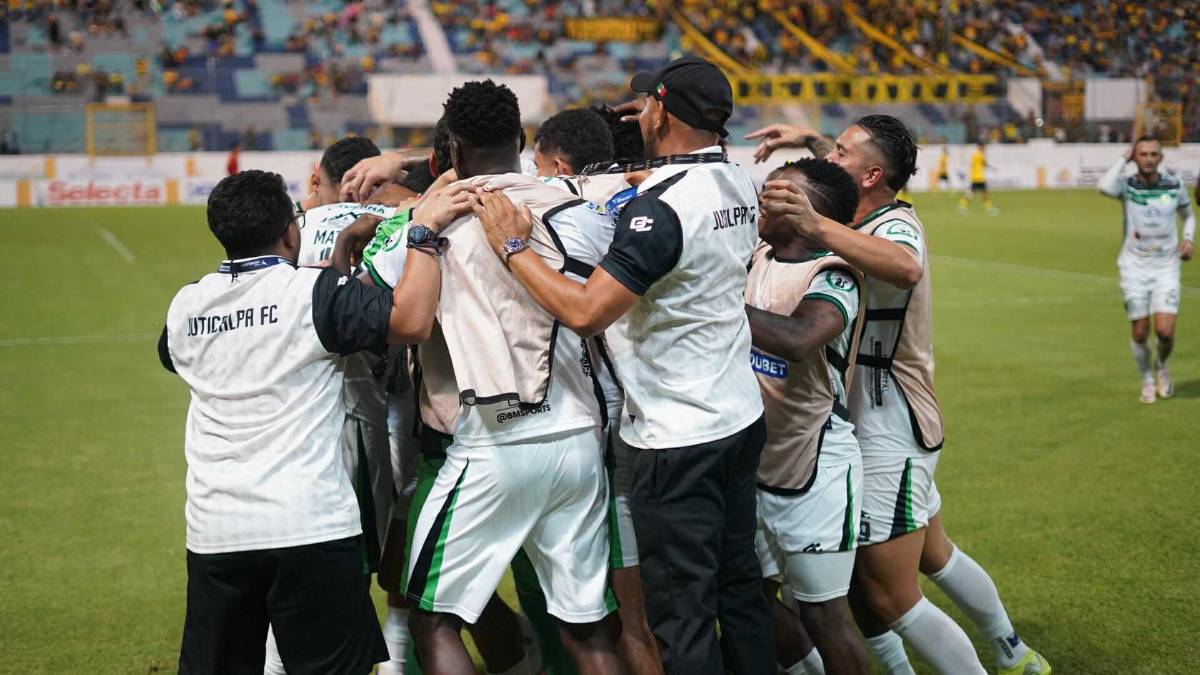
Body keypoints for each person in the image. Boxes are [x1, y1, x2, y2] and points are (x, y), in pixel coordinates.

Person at [475, 56, 774, 675]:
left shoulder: (658, 211)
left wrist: (513, 248)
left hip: (676, 435)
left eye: (645, 103)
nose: (638, 112)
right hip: (739, 417)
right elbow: (661, 187)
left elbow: (586, 312)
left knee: (683, 614)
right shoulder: (739, 180)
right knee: (740, 591)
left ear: (662, 110)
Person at [747, 117, 1050, 675]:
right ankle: (1013, 649)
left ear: (873, 174)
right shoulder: (857, 210)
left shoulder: (896, 223)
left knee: (886, 595)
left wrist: (815, 223)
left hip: (890, 419)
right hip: (856, 412)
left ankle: (999, 658)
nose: (827, 155)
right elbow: (843, 181)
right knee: (933, 554)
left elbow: (906, 267)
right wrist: (807, 143)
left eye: (839, 150)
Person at [364, 80, 624, 675]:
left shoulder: (434, 220)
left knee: (433, 617)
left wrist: (414, 223)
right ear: (522, 139)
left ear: (452, 150)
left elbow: (378, 303)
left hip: (493, 442)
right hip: (579, 440)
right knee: (586, 627)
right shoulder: (577, 207)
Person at [157, 169, 439, 675]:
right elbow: (412, 322)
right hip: (307, 524)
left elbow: (181, 351)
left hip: (216, 532)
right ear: (292, 230)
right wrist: (422, 235)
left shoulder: (185, 306)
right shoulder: (316, 294)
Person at [529, 106, 664, 675]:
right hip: (672, 413)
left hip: (613, 425)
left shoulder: (568, 215)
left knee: (627, 619)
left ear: (558, 164)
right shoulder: (657, 202)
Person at [744, 158, 869, 675]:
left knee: (825, 614)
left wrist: (713, 302)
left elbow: (797, 340)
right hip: (752, 462)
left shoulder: (834, 275)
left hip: (814, 466)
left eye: (778, 195)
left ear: (806, 210)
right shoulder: (755, 256)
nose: (762, 202)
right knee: (746, 593)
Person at [1098, 136, 1195, 403]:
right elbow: (1104, 187)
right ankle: (1147, 379)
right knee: (1140, 332)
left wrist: (1188, 238)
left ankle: (1161, 366)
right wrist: (1122, 159)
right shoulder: (1127, 186)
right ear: (1135, 157)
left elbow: (1188, 214)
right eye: (1143, 154)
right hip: (1133, 269)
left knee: (1165, 332)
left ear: (1161, 158)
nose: (1149, 159)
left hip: (1166, 268)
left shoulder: (1174, 184)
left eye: (1154, 154)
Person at [957, 142, 997, 215]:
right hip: (979, 178)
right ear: (980, 146)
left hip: (975, 177)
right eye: (984, 146)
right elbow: (984, 164)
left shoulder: (974, 154)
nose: (984, 148)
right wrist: (993, 168)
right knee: (984, 194)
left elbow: (974, 164)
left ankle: (961, 206)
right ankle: (990, 209)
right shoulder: (980, 154)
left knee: (970, 194)